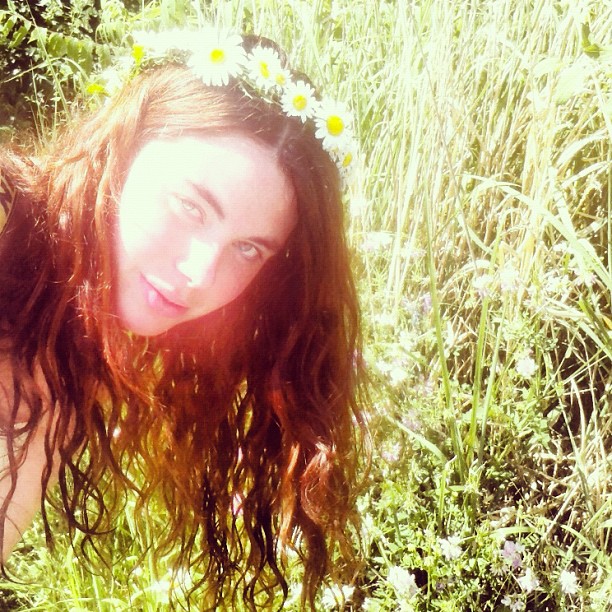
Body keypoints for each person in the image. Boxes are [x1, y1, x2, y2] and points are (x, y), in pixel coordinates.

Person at [0, 27, 368, 609]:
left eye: (248, 248)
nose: (199, 274)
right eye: (189, 206)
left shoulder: (85, 351)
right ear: (122, 147)